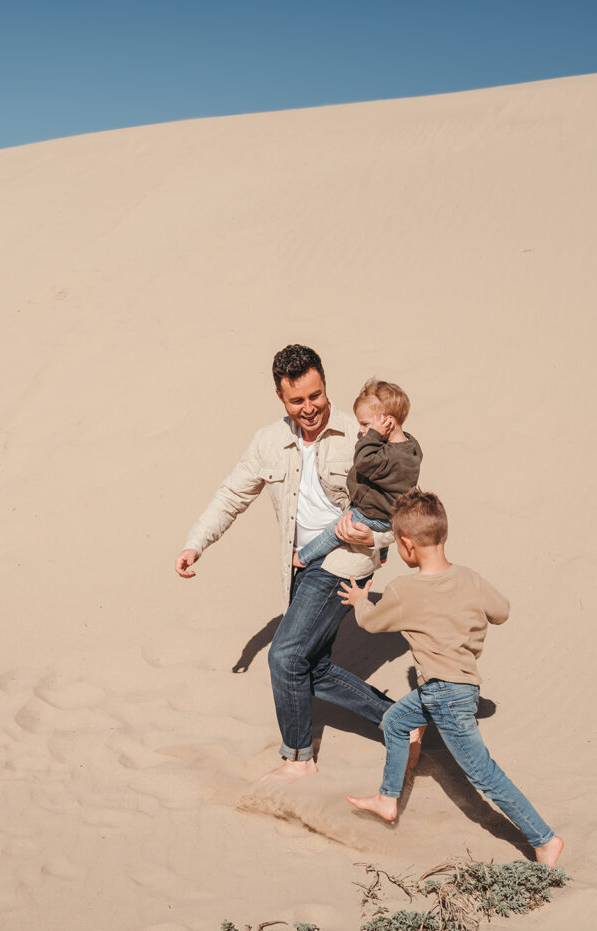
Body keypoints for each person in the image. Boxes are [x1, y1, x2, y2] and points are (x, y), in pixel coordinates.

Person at [175, 345, 395, 783]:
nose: (310, 408)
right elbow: (232, 496)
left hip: (344, 560)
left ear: (325, 385)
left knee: (286, 655)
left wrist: (373, 537)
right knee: (309, 667)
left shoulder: (359, 436)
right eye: (298, 400)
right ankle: (401, 720)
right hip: (297, 565)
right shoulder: (268, 442)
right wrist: (195, 544)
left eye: (316, 396)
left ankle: (299, 759)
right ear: (281, 397)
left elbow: (404, 505)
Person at [338, 489, 564, 867]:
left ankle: (544, 839)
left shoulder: (404, 589)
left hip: (444, 695)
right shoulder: (469, 578)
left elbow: (372, 622)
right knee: (395, 720)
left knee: (483, 774)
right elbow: (502, 611)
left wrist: (360, 599)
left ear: (406, 545)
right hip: (455, 688)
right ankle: (388, 798)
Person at [294, 378, 422, 568]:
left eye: (365, 424)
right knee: (386, 502)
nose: (361, 431)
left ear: (387, 422)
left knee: (335, 530)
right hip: (388, 514)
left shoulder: (385, 456)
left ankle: (303, 557)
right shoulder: (410, 445)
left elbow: (362, 461)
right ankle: (383, 553)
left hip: (371, 514)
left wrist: (373, 435)